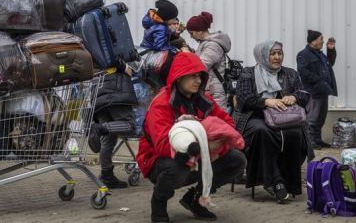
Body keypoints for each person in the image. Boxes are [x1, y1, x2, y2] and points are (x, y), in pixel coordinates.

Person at [137, 52, 246, 222]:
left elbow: (227, 124)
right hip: (157, 159)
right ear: (178, 78)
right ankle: (158, 202)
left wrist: (217, 144)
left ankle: (195, 199)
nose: (198, 81)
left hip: (199, 153)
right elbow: (163, 145)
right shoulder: (162, 104)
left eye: (200, 76)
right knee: (177, 166)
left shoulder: (205, 100)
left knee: (237, 160)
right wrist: (204, 147)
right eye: (193, 76)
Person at [234, 40, 314, 203]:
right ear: (262, 55)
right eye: (272, 53)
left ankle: (286, 183)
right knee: (261, 132)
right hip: (254, 116)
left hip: (284, 118)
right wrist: (265, 102)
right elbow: (243, 98)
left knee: (294, 133)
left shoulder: (290, 73)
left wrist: (295, 97)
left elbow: (304, 93)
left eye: (280, 53)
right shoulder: (248, 73)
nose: (277, 57)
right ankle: (277, 181)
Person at [87, 60, 138, 189]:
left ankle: (107, 175)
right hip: (115, 87)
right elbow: (108, 55)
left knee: (108, 139)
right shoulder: (106, 40)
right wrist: (124, 65)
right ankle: (98, 129)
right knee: (130, 126)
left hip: (98, 87)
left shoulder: (86, 41)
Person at [296, 30, 337, 149]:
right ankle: (310, 142)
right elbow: (303, 72)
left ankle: (318, 140)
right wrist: (319, 81)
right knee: (312, 119)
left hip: (323, 91)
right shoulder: (303, 54)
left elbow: (330, 63)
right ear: (313, 41)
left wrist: (331, 50)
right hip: (313, 91)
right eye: (321, 39)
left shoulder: (320, 54)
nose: (323, 41)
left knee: (320, 118)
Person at [187, 12, 231, 111]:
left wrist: (187, 54)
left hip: (214, 93)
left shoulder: (213, 46)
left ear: (200, 31)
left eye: (191, 33)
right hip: (209, 90)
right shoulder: (206, 44)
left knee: (217, 122)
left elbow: (201, 65)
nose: (191, 36)